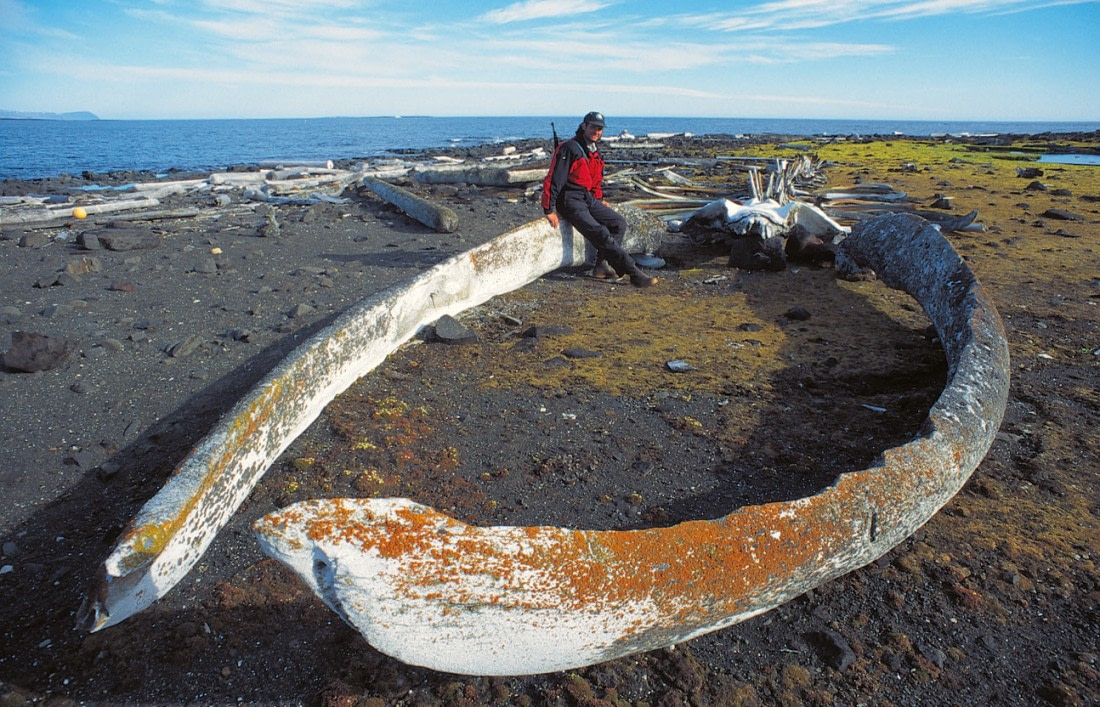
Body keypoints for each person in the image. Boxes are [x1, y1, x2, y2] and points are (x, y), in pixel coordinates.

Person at [542, 111, 658, 287]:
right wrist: (549, 209)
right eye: (593, 127)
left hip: (587, 198)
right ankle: (633, 273)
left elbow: (595, 179)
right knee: (600, 232)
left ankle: (601, 266)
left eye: (600, 129)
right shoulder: (570, 148)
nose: (596, 131)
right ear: (584, 126)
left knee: (618, 223)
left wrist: (598, 199)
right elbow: (553, 179)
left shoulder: (593, 150)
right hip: (570, 200)